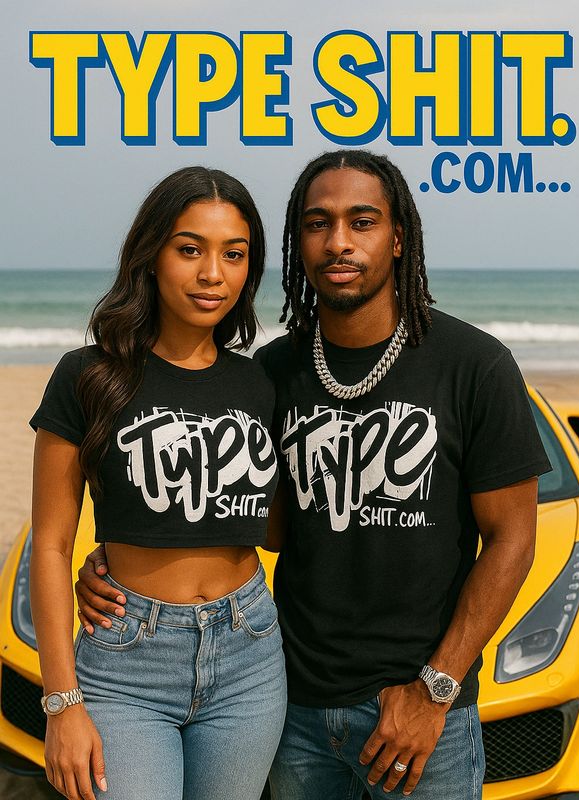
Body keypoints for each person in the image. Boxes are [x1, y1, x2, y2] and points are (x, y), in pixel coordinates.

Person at [76, 150, 551, 800]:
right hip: (289, 704)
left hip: (419, 713)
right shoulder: (270, 373)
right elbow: (249, 520)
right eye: (318, 223)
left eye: (363, 222)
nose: (340, 242)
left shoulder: (474, 367)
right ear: (297, 243)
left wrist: (434, 690)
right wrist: (124, 565)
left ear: (398, 235)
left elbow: (513, 540)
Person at [29, 166, 287, 800]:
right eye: (189, 249)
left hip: (249, 651)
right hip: (125, 663)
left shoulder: (258, 383)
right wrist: (62, 703)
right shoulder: (87, 376)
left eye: (234, 254)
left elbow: (274, 527)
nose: (211, 274)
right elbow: (50, 545)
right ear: (151, 255)